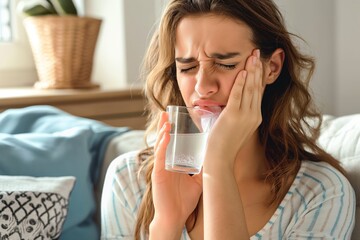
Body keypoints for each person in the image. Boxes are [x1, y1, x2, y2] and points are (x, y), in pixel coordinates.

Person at [101, 0, 356, 239]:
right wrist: (167, 224)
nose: (203, 87)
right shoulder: (127, 181)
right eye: (187, 68)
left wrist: (218, 165)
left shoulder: (321, 193)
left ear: (272, 67)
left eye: (225, 64)